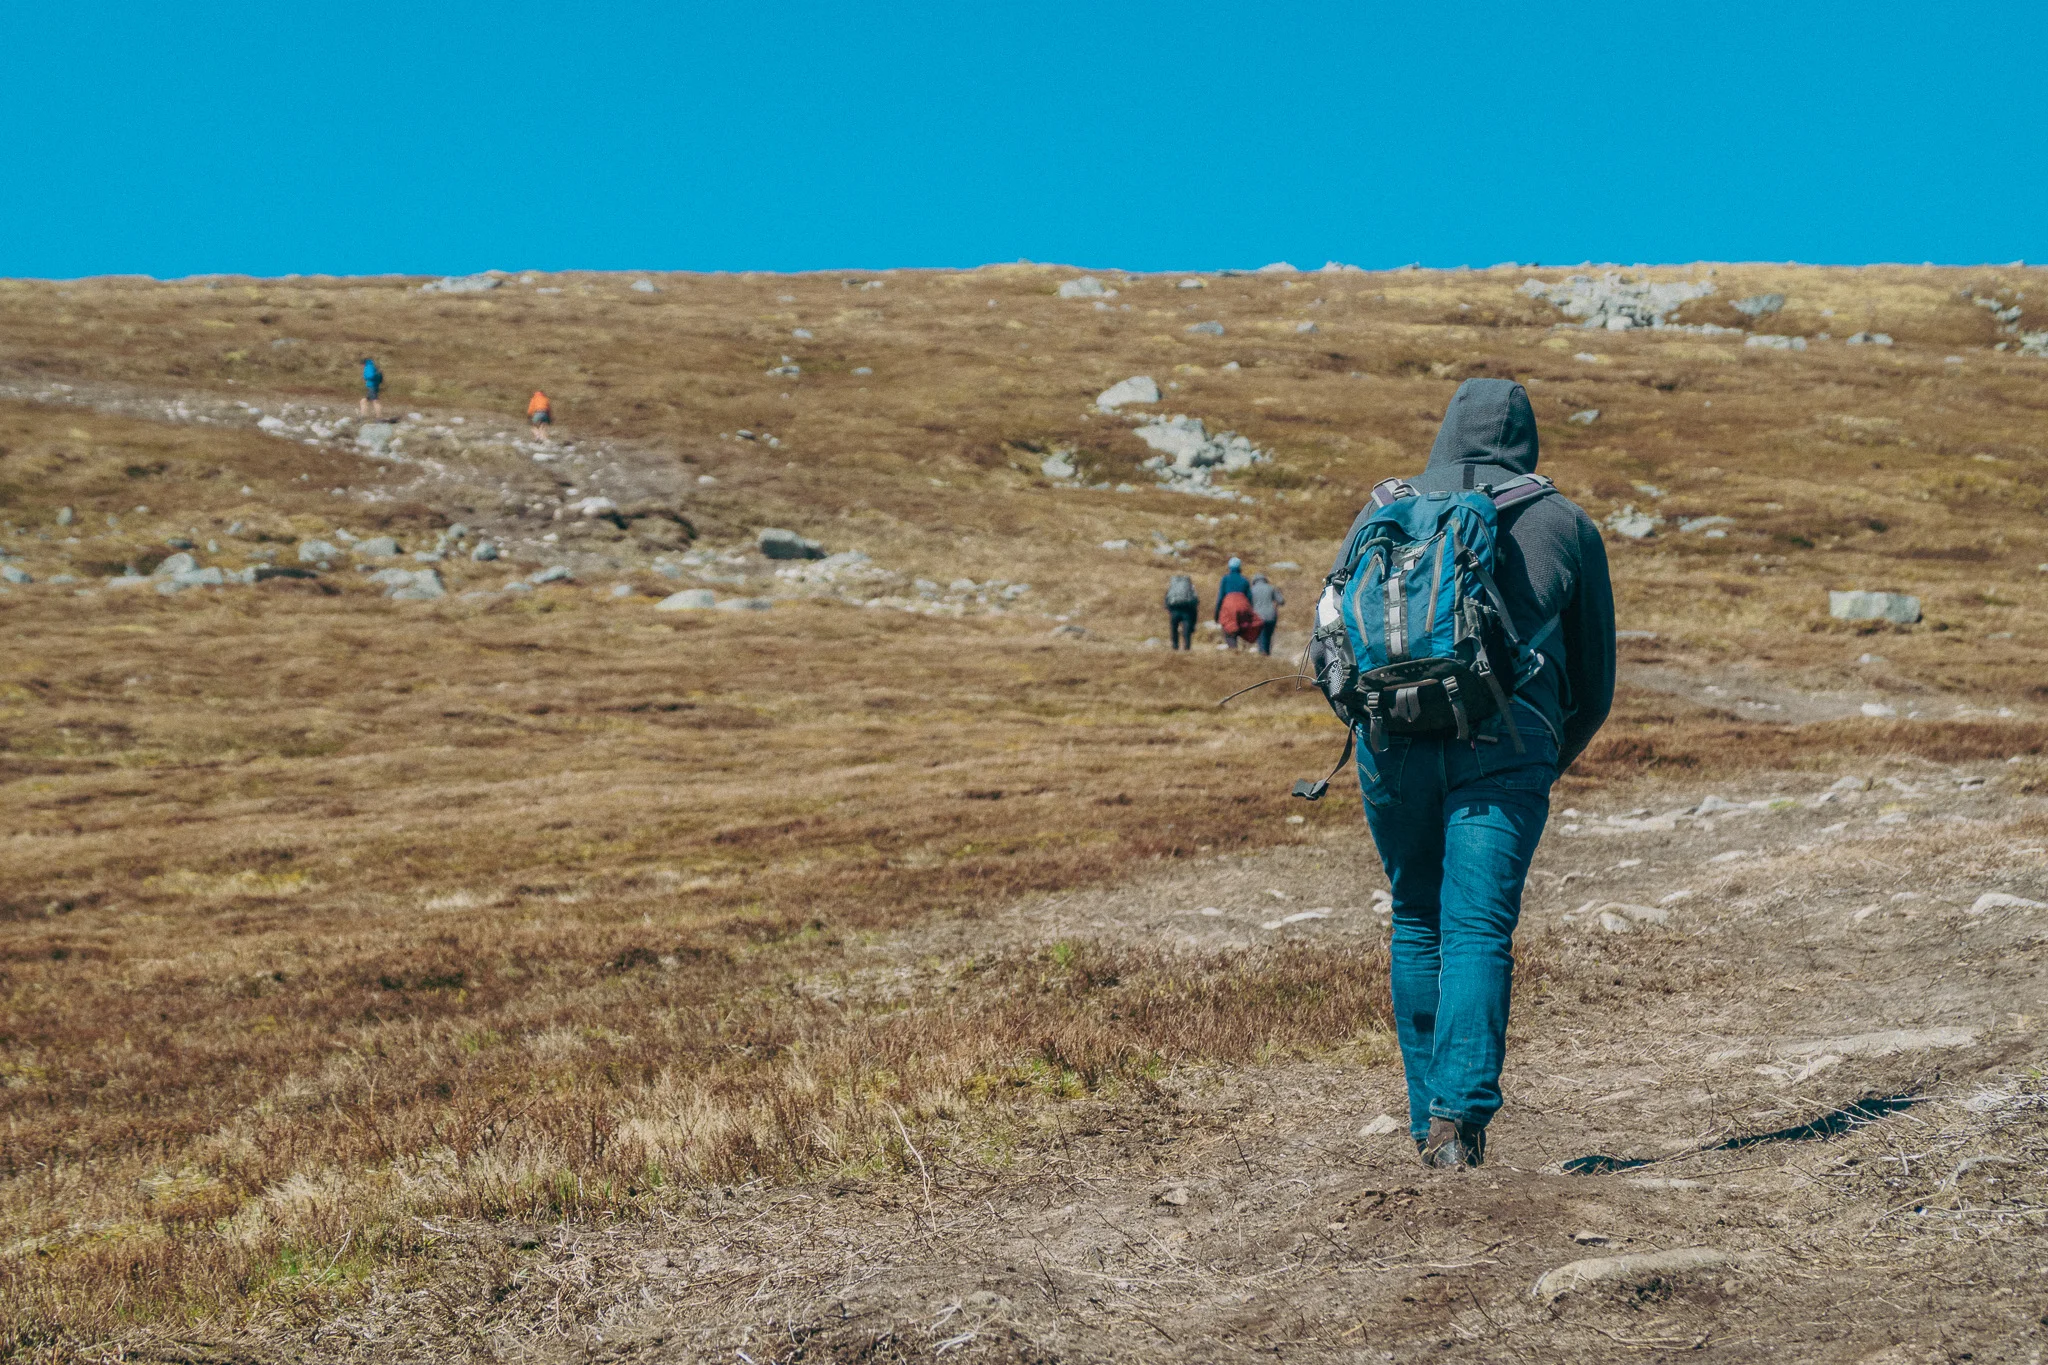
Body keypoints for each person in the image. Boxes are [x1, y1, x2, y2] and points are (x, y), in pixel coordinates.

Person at [1329, 378, 1614, 1169]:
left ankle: (1428, 1124)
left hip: (1391, 744)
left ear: (1445, 430)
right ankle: (1460, 1121)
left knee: (1416, 917)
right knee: (1477, 926)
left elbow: (1340, 639)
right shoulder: (1563, 521)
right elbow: (1596, 685)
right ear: (1524, 438)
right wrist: (1538, 762)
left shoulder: (1380, 509)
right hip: (1508, 746)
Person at [1214, 556, 1257, 650]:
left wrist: (1217, 615)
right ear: (1240, 568)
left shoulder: (1225, 579)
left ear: (1229, 567)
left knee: (1229, 631)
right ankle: (1244, 650)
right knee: (1243, 628)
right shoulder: (1245, 580)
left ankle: (1233, 651)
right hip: (1243, 606)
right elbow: (1250, 598)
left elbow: (1221, 597)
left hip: (1229, 606)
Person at [1248, 572, 1285, 656]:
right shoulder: (1271, 588)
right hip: (1271, 616)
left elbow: (1248, 604)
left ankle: (1263, 656)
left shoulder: (1251, 590)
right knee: (1268, 636)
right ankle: (1267, 654)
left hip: (1258, 617)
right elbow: (1281, 601)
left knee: (1261, 637)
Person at [1164, 573, 1200, 650]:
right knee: (1186, 629)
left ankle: (1175, 645)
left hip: (1175, 610)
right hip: (1186, 610)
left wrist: (1168, 608)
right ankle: (1187, 646)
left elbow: (1167, 598)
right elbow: (1195, 599)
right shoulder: (1190, 586)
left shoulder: (1172, 586)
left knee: (1174, 628)